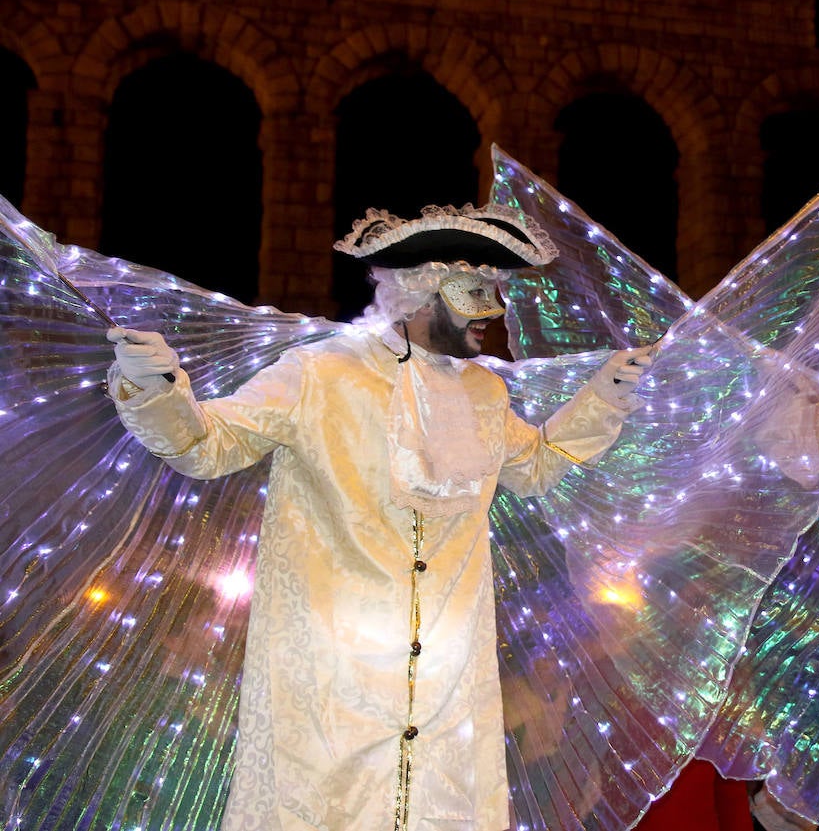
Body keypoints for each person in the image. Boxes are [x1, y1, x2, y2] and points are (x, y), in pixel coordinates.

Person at [103, 202, 653, 831]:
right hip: (332, 691)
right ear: (422, 293)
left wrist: (604, 397)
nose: (493, 314)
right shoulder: (320, 373)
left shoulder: (484, 393)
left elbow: (536, 465)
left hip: (448, 694)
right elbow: (207, 444)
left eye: (496, 292)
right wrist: (154, 386)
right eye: (477, 292)